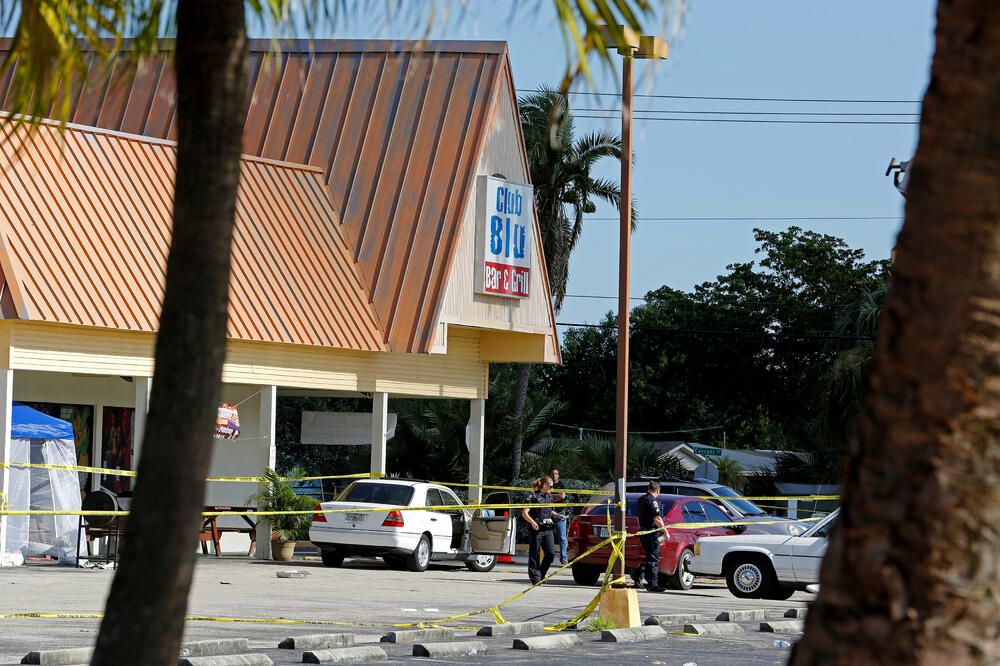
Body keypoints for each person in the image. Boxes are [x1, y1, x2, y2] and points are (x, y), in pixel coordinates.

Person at [521, 476, 564, 584]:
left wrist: (558, 515)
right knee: (535, 553)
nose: (552, 489)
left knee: (551, 553)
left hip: (547, 528)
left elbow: (551, 511)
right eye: (551, 486)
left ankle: (541, 573)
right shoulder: (533, 496)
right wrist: (532, 522)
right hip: (536, 528)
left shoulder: (549, 496)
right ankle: (535, 577)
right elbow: (524, 513)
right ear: (544, 485)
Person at [632, 480, 669, 592]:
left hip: (644, 531)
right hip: (651, 532)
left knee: (650, 556)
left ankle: (638, 575)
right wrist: (665, 531)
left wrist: (641, 528)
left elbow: (638, 516)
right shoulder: (653, 501)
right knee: (653, 557)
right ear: (657, 491)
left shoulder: (641, 499)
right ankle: (653, 584)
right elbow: (657, 518)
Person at [549, 467, 569, 565]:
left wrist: (550, 497)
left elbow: (562, 496)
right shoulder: (547, 485)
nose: (554, 475)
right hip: (549, 513)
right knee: (548, 537)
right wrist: (555, 496)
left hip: (560, 513)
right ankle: (549, 557)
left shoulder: (561, 485)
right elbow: (543, 496)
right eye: (552, 474)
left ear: (558, 475)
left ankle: (563, 558)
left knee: (562, 537)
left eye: (555, 473)